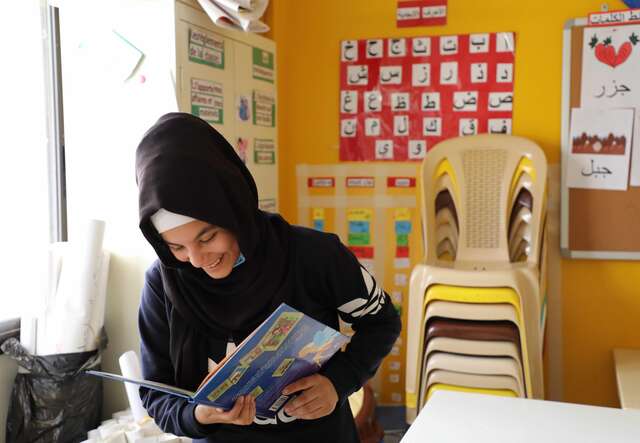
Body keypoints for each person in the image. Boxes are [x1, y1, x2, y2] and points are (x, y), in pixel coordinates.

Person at [135, 112, 401, 443]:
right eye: (177, 246)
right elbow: (156, 393)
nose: (197, 260)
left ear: (234, 208)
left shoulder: (312, 255)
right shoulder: (163, 284)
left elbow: (382, 322)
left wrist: (338, 382)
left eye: (207, 237)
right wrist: (197, 415)